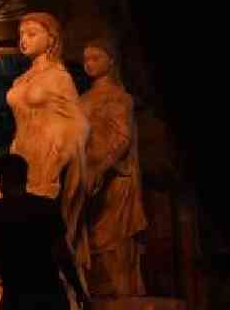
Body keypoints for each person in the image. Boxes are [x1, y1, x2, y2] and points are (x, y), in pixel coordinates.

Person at [0, 154, 92, 310]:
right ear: (25, 179)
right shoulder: (47, 208)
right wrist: (80, 292)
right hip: (50, 295)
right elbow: (63, 255)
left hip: (16, 297)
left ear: (0, 180)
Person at [4, 12, 89, 250]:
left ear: (51, 39)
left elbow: (78, 122)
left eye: (32, 34)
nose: (24, 39)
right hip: (20, 153)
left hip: (47, 156)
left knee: (38, 221)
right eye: (21, 34)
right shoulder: (21, 80)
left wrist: (60, 151)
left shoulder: (59, 78)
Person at [77, 37, 147, 296]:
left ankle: (122, 293)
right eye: (86, 59)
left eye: (96, 58)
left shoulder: (120, 97)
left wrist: (101, 167)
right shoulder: (82, 99)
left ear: (111, 61)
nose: (89, 64)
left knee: (114, 241)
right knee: (92, 241)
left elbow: (122, 138)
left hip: (114, 177)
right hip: (88, 178)